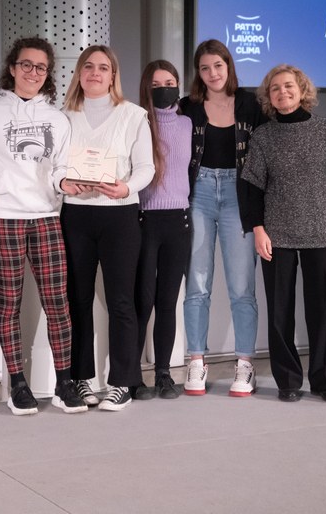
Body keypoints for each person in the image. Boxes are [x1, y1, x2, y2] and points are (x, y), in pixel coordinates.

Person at [0, 37, 87, 416]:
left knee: (57, 303)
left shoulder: (57, 120)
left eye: (41, 67)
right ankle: (18, 383)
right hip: (3, 220)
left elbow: (61, 169)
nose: (32, 73)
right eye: (26, 65)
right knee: (9, 303)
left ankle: (65, 382)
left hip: (47, 217)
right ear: (12, 68)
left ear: (48, 74)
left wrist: (64, 184)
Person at [242, 64, 326, 403]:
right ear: (269, 96)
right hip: (277, 235)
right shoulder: (263, 137)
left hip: (321, 231)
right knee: (280, 313)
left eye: (288, 86)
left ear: (302, 90)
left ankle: (325, 382)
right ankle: (288, 381)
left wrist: (314, 199)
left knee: (324, 311)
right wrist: (259, 230)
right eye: (275, 88)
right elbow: (251, 188)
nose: (282, 92)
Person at [61, 45, 154, 411]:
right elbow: (53, 166)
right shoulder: (64, 116)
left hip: (119, 215)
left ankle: (122, 382)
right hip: (76, 216)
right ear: (80, 74)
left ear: (113, 75)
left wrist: (126, 188)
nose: (95, 73)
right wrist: (65, 182)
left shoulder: (133, 115)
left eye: (103, 68)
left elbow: (146, 167)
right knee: (78, 300)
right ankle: (81, 380)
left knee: (121, 302)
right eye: (89, 67)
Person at [179, 39, 265, 397]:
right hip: (198, 192)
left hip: (238, 195)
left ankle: (245, 364)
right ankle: (196, 361)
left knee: (242, 288)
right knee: (197, 284)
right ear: (197, 73)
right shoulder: (188, 107)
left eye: (218, 65)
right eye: (204, 68)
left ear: (229, 66)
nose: (212, 73)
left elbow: (263, 160)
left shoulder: (251, 104)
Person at [133, 60, 192, 400]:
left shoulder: (187, 123)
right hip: (144, 221)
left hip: (178, 221)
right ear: (147, 87)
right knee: (143, 301)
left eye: (170, 82)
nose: (164, 88)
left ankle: (164, 374)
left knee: (167, 302)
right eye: (156, 84)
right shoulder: (138, 121)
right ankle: (132, 376)